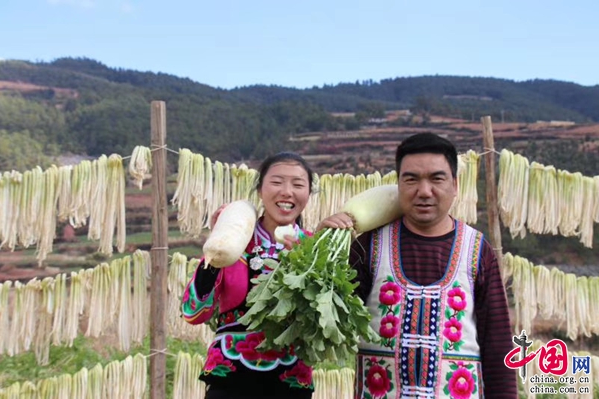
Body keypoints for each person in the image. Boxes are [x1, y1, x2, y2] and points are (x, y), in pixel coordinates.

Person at [319, 133, 517, 398]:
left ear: (455, 185)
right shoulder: (369, 245)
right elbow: (329, 320)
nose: (424, 191)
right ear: (398, 184)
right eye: (411, 179)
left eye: (437, 179)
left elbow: (497, 342)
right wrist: (321, 249)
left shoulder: (477, 249)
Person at [181, 152, 316, 399]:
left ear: (309, 193)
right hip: (230, 377)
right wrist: (217, 246)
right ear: (260, 189)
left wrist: (305, 266)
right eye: (276, 182)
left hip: (290, 381)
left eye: (298, 184)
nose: (287, 192)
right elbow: (194, 312)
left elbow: (323, 324)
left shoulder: (316, 249)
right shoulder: (234, 240)